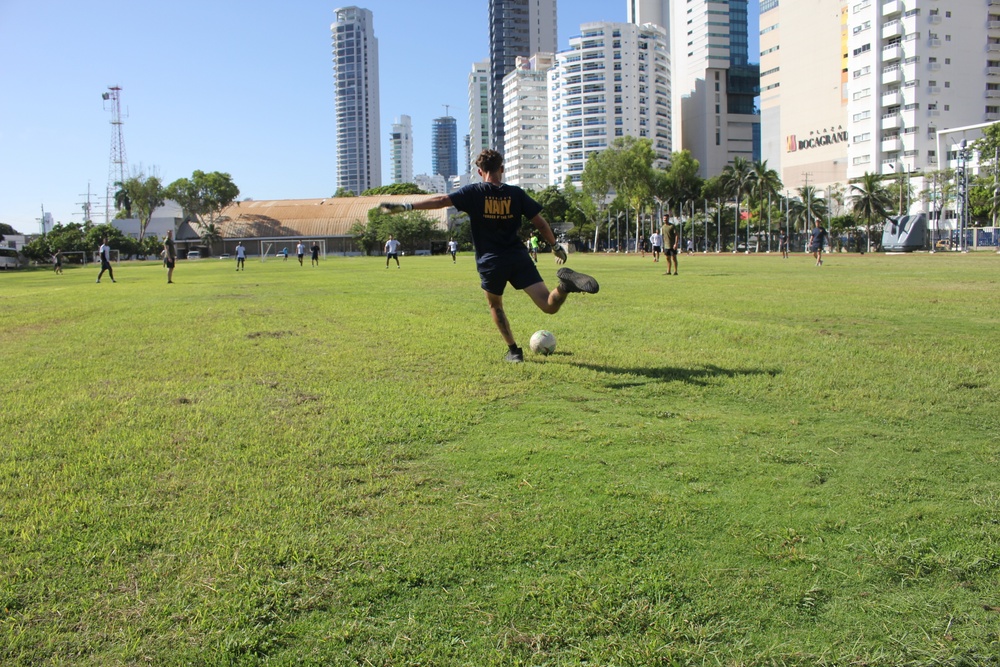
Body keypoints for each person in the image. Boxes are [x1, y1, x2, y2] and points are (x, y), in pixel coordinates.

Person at [381, 148, 599, 363]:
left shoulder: (473, 192)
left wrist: (407, 206)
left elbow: (441, 201)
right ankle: (564, 286)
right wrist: (555, 245)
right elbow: (541, 223)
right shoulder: (516, 193)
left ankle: (514, 351)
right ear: (501, 169)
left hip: (491, 262)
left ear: (479, 171)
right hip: (518, 257)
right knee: (548, 306)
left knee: (496, 306)